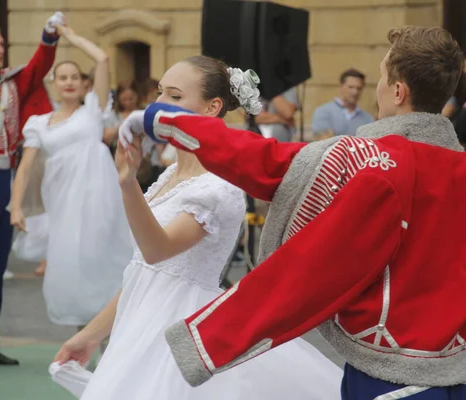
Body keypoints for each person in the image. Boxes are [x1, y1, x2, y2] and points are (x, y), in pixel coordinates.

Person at [120, 26, 466, 399]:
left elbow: (262, 160)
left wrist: (160, 119)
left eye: (381, 77)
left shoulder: (369, 160)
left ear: (397, 90)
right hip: (460, 383)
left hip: (381, 378)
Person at [53, 56, 342, 400]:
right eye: (161, 92)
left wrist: (128, 184)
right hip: (142, 325)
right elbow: (146, 274)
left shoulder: (218, 185)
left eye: (175, 97)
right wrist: (92, 334)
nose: (160, 104)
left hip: (184, 335)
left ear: (212, 108)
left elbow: (157, 251)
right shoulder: (170, 174)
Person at [9, 25, 133, 332]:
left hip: (100, 198)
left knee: (102, 259)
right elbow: (25, 167)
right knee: (75, 267)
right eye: (62, 77)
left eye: (74, 77)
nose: (68, 82)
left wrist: (68, 35)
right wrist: (15, 206)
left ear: (83, 84)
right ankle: (85, 341)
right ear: (53, 84)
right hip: (63, 203)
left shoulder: (93, 110)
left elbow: (103, 58)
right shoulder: (39, 123)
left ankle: (109, 343)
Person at [0, 13, 64, 370]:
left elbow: (39, 66)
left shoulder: (10, 82)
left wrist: (48, 35)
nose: (0, 49)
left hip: (6, 182)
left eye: (2, 44)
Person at [312, 68, 374, 138]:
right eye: (351, 87)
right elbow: (323, 141)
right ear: (341, 87)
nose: (355, 92)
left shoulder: (368, 118)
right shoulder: (323, 112)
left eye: (359, 88)